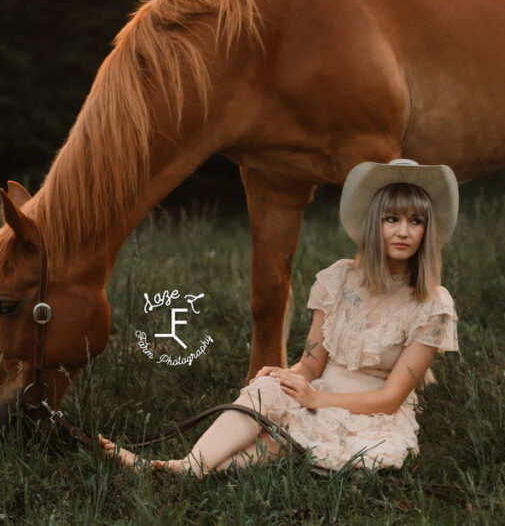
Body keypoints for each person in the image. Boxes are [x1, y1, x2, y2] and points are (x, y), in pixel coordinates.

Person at [100, 158, 459, 474]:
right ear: (373, 225)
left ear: (427, 230)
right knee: (265, 389)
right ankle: (187, 467)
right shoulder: (340, 279)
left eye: (415, 221)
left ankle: (184, 469)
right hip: (319, 390)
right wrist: (288, 376)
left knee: (279, 443)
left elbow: (390, 398)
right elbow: (312, 364)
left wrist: (316, 400)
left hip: (371, 411)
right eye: (391, 219)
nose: (403, 231)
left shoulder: (432, 305)